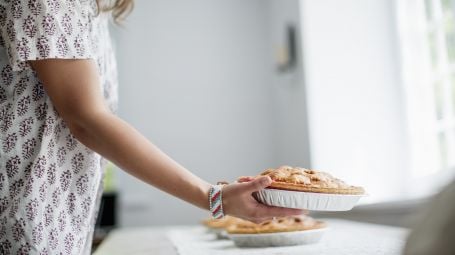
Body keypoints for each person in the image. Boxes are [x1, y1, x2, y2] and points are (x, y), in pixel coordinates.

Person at [0, 0, 302, 254]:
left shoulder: (92, 10)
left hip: (55, 214)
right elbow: (87, 120)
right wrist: (214, 197)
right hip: (26, 211)